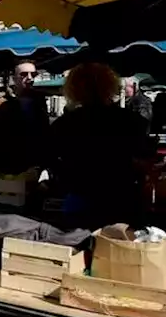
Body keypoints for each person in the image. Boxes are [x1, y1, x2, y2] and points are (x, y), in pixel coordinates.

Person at [49, 63, 154, 229]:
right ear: (110, 86)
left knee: (80, 249)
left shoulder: (64, 124)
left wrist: (68, 176)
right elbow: (144, 158)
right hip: (122, 197)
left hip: (81, 197)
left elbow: (51, 159)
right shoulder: (131, 120)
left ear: (73, 89)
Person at [0, 62, 53, 175]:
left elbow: (44, 130)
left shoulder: (39, 101)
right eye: (24, 74)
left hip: (34, 165)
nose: (30, 78)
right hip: (6, 165)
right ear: (14, 78)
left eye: (34, 74)